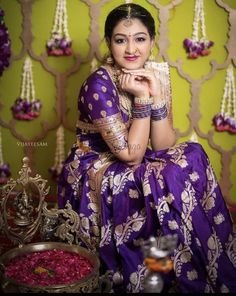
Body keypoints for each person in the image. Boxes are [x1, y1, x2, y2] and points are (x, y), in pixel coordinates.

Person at [57, 3, 236, 293]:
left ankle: (197, 256)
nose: (131, 49)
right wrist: (142, 98)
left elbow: (164, 145)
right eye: (120, 39)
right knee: (157, 176)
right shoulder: (98, 84)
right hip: (96, 166)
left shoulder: (154, 73)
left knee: (191, 154)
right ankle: (151, 266)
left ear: (152, 41)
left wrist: (155, 92)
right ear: (109, 43)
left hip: (129, 154)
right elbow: (131, 156)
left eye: (140, 38)